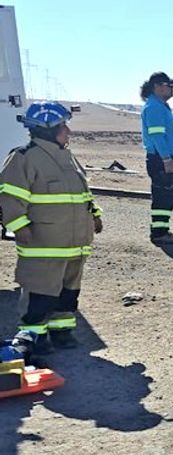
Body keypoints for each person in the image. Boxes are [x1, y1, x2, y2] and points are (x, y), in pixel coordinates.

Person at [0, 101, 103, 352]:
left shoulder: (68, 157)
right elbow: (9, 197)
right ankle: (34, 338)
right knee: (40, 294)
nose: (68, 131)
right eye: (63, 126)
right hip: (43, 246)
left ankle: (62, 333)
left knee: (68, 293)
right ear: (48, 129)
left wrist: (96, 215)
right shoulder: (24, 158)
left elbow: (83, 195)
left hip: (75, 245)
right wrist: (18, 227)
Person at [140, 71, 173, 245]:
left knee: (166, 195)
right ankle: (159, 233)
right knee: (162, 195)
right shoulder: (154, 108)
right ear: (157, 87)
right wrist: (166, 159)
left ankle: (161, 230)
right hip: (160, 159)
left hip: (164, 158)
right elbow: (157, 136)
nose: (172, 89)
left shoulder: (159, 105)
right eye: (169, 86)